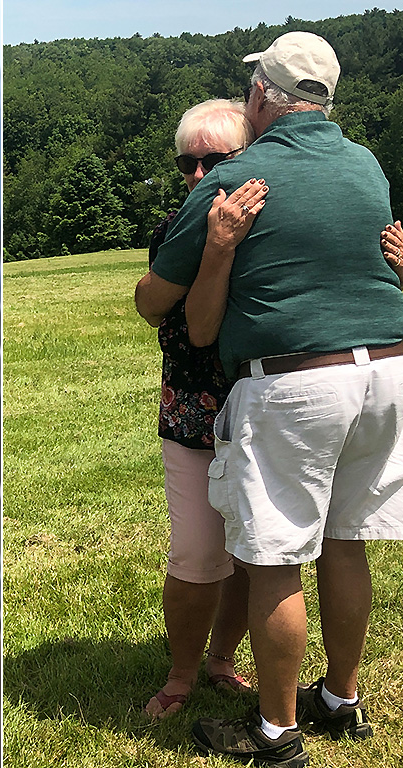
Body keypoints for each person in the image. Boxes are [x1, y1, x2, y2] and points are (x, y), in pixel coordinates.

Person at [136, 32, 403, 766]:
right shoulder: (365, 163)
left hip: (296, 380)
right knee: (346, 541)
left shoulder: (239, 178)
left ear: (261, 93)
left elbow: (157, 303)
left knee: (273, 557)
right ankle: (342, 699)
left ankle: (275, 730)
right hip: (385, 371)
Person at [141, 99, 261, 720]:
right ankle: (181, 675)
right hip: (192, 408)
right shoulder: (177, 228)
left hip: (262, 404)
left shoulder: (276, 223)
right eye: (187, 163)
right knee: (195, 551)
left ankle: (221, 660)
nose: (197, 175)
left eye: (214, 161)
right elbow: (159, 310)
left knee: (251, 552)